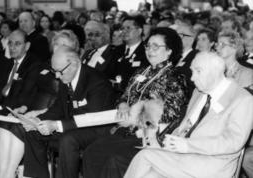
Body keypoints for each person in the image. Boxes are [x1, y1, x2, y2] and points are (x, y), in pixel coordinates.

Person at [80, 27, 189, 178]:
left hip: (147, 135)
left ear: (170, 50)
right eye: (148, 45)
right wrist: (123, 104)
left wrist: (139, 122)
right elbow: (124, 96)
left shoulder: (175, 77)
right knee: (91, 152)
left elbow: (171, 115)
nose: (150, 50)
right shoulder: (141, 71)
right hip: (125, 129)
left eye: (156, 46)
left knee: (112, 158)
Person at [124, 51, 253, 178]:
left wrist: (188, 146)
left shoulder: (242, 99)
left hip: (211, 163)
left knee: (145, 156)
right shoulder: (199, 92)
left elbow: (232, 142)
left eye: (197, 72)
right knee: (149, 175)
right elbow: (185, 126)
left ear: (213, 73)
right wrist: (163, 143)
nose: (192, 78)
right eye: (192, 72)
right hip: (182, 156)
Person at [2, 46, 116, 178]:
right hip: (72, 125)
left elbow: (91, 118)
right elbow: (58, 108)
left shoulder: (97, 81)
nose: (56, 76)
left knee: (68, 140)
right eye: (54, 71)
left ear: (73, 63)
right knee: (33, 132)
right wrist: (38, 120)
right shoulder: (65, 76)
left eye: (59, 71)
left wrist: (56, 125)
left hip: (96, 128)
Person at [0, 29, 81, 178]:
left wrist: (41, 113)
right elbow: (32, 90)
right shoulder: (45, 65)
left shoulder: (70, 71)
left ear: (73, 50)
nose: (59, 47)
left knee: (20, 128)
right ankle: (4, 172)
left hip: (54, 115)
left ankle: (8, 174)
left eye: (63, 45)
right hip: (38, 110)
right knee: (5, 124)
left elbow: (64, 104)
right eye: (57, 44)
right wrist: (26, 108)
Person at [0, 29, 41, 177]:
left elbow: (26, 94)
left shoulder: (32, 64)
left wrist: (1, 107)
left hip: (20, 109)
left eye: (17, 44)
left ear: (27, 46)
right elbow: (1, 90)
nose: (13, 47)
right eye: (10, 43)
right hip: (5, 105)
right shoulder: (10, 63)